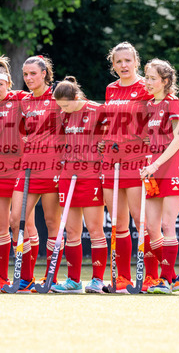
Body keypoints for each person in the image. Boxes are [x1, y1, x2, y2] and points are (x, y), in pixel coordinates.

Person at [5, 55, 64, 293]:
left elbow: (82, 115)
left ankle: (51, 278)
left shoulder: (59, 96)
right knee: (15, 219)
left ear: (44, 74)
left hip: (52, 167)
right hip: (27, 166)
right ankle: (25, 278)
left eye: (33, 74)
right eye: (25, 74)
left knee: (52, 223)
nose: (28, 78)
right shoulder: (24, 100)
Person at [101, 42, 156, 293]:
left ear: (136, 61)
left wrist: (151, 137)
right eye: (118, 62)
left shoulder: (146, 87)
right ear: (113, 65)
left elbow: (159, 118)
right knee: (118, 222)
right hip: (112, 163)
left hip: (137, 162)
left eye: (128, 60)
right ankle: (121, 279)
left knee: (140, 219)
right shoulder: (110, 89)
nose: (123, 65)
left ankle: (150, 277)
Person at [139, 59, 179, 294]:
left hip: (172, 168)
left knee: (166, 224)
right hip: (153, 170)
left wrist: (156, 163)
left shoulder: (173, 103)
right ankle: (173, 277)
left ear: (165, 81)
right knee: (152, 227)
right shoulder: (149, 104)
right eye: (146, 77)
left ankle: (164, 279)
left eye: (152, 78)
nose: (147, 82)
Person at [51, 77, 109, 293]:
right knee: (72, 231)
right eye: (60, 106)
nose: (63, 110)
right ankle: (73, 281)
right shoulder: (62, 114)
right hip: (67, 175)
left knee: (95, 229)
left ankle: (97, 280)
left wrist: (105, 145)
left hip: (91, 175)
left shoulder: (97, 110)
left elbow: (114, 135)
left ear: (77, 98)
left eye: (66, 105)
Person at [0, 56, 29, 290]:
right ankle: (0, 277)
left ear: (9, 82)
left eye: (0, 84)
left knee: (19, 223)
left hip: (20, 166)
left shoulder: (20, 99)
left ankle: (26, 277)